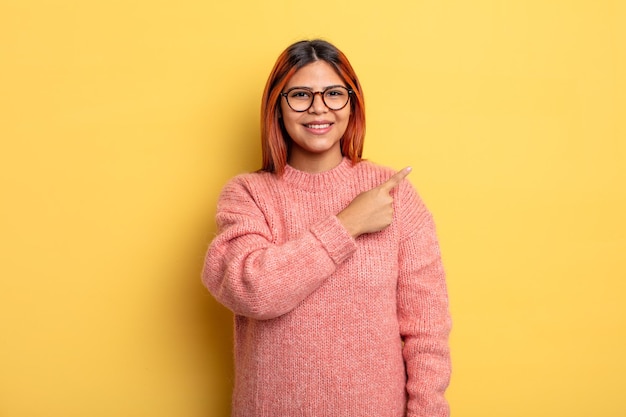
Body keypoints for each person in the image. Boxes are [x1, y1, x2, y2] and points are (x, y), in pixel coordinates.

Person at [202, 39, 451, 417]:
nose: (319, 107)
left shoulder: (394, 196)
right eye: (300, 95)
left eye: (334, 93)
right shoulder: (248, 195)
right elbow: (253, 291)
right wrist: (349, 223)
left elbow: (426, 333)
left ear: (352, 102)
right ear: (277, 106)